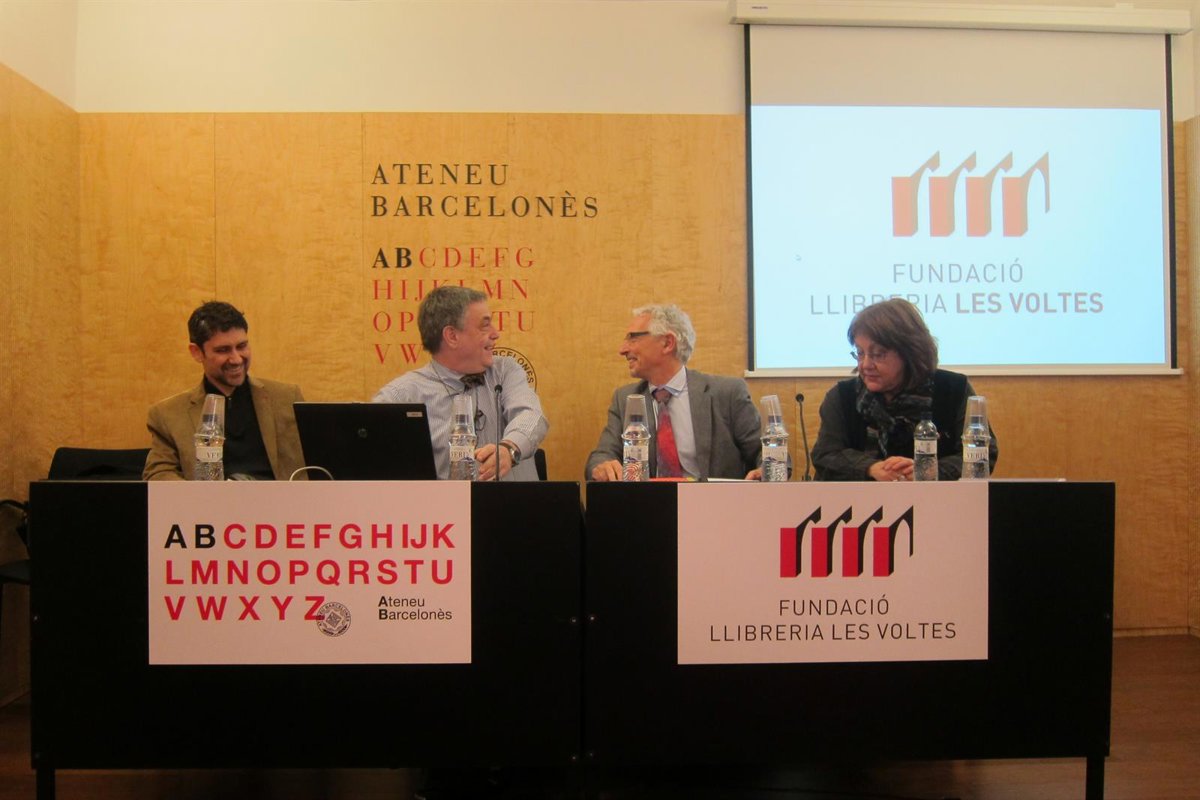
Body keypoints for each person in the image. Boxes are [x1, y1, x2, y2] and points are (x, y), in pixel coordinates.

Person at [811, 298, 998, 481]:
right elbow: (825, 455)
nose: (865, 364)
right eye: (860, 353)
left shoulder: (953, 390)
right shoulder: (843, 396)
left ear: (910, 352)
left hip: (936, 499)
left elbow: (982, 453)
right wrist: (870, 468)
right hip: (857, 500)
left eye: (878, 354)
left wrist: (926, 471)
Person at [373, 286, 548, 481]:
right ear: (452, 336)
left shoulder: (506, 371)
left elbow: (531, 415)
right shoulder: (402, 395)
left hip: (514, 500)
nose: (495, 333)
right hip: (440, 502)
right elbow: (367, 442)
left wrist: (509, 449)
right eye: (485, 326)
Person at [586, 304, 762, 481]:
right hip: (648, 498)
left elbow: (764, 451)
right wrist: (602, 466)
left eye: (633, 338)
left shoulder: (727, 393)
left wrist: (764, 469)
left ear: (667, 343)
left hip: (712, 498)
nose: (622, 350)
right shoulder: (626, 399)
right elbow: (602, 455)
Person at [143, 301, 306, 481]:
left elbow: (316, 463)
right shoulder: (168, 415)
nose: (236, 359)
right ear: (196, 352)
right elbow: (158, 474)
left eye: (242, 346)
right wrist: (197, 495)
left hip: (280, 498)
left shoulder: (287, 398)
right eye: (223, 350)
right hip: (208, 499)